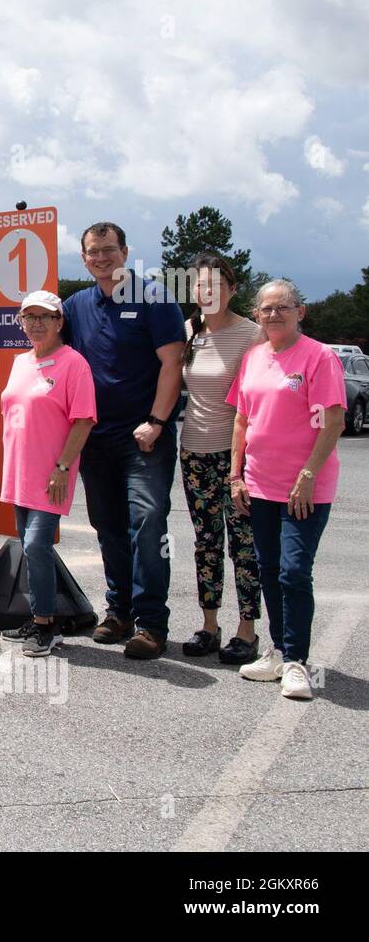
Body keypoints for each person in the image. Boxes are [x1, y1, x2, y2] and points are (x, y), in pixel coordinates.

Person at [63, 222, 185, 660]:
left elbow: (173, 363)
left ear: (126, 251)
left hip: (145, 438)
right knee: (108, 526)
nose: (101, 258)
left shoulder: (155, 299)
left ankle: (152, 623)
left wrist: (156, 420)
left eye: (109, 250)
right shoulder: (76, 305)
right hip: (96, 439)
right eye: (93, 252)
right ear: (83, 258)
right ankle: (118, 612)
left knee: (148, 525)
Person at [229, 280, 345, 700]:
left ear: (301, 312)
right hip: (260, 484)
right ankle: (278, 651)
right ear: (257, 314)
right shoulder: (254, 358)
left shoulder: (320, 357)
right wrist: (235, 474)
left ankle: (297, 661)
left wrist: (309, 474)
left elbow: (334, 422)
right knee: (268, 569)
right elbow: (242, 420)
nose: (274, 315)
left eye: (283, 307)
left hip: (304, 489)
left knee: (294, 571)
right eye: (266, 309)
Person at [0, 291, 97, 656]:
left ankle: (46, 625)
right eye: (29, 317)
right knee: (30, 547)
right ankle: (38, 616)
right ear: (21, 322)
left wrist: (62, 467)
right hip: (20, 473)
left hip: (52, 474)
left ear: (59, 322)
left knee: (37, 544)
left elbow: (84, 419)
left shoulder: (74, 364)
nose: (36, 323)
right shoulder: (21, 362)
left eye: (45, 317)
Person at [178, 254, 265, 663]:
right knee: (206, 543)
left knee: (244, 547)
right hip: (193, 451)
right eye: (199, 285)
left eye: (216, 285)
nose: (207, 292)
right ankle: (209, 625)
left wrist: (241, 464)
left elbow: (258, 403)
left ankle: (247, 631)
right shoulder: (189, 331)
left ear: (232, 289)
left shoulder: (252, 335)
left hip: (237, 459)